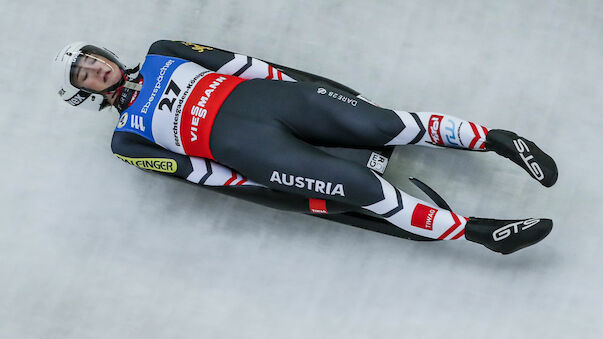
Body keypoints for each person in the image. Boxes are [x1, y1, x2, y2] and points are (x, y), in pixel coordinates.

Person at [53, 40, 558, 254]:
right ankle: (481, 233)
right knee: (362, 187)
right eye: (84, 73)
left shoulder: (162, 52)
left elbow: (242, 63)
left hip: (275, 100)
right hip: (256, 152)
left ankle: (496, 140)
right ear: (85, 92)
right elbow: (196, 173)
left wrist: (299, 88)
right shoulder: (126, 140)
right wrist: (257, 182)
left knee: (384, 123)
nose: (96, 68)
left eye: (93, 58)